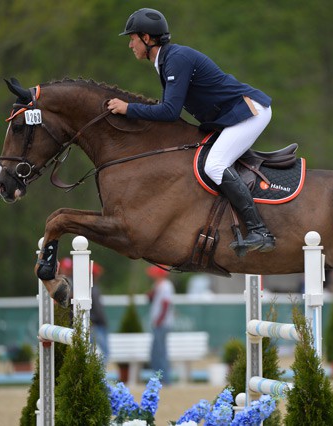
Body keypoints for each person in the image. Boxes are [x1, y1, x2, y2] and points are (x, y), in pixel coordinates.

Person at [107, 7, 275, 255]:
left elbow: (170, 112)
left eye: (132, 38)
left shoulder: (176, 59)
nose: (130, 44)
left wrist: (129, 109)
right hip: (233, 116)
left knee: (214, 165)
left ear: (147, 38)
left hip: (251, 112)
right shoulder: (165, 62)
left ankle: (260, 231)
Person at [59, 258, 110, 364]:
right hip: (92, 323)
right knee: (102, 351)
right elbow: (96, 309)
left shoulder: (78, 283)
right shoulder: (88, 287)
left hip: (88, 323)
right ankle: (97, 375)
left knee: (91, 351)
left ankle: (95, 374)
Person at [146, 264, 174, 384]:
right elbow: (150, 298)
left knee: (160, 352)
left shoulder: (166, 286)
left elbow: (166, 303)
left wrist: (160, 319)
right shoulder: (158, 285)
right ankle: (158, 377)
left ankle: (164, 378)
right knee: (155, 352)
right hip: (158, 323)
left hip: (162, 323)